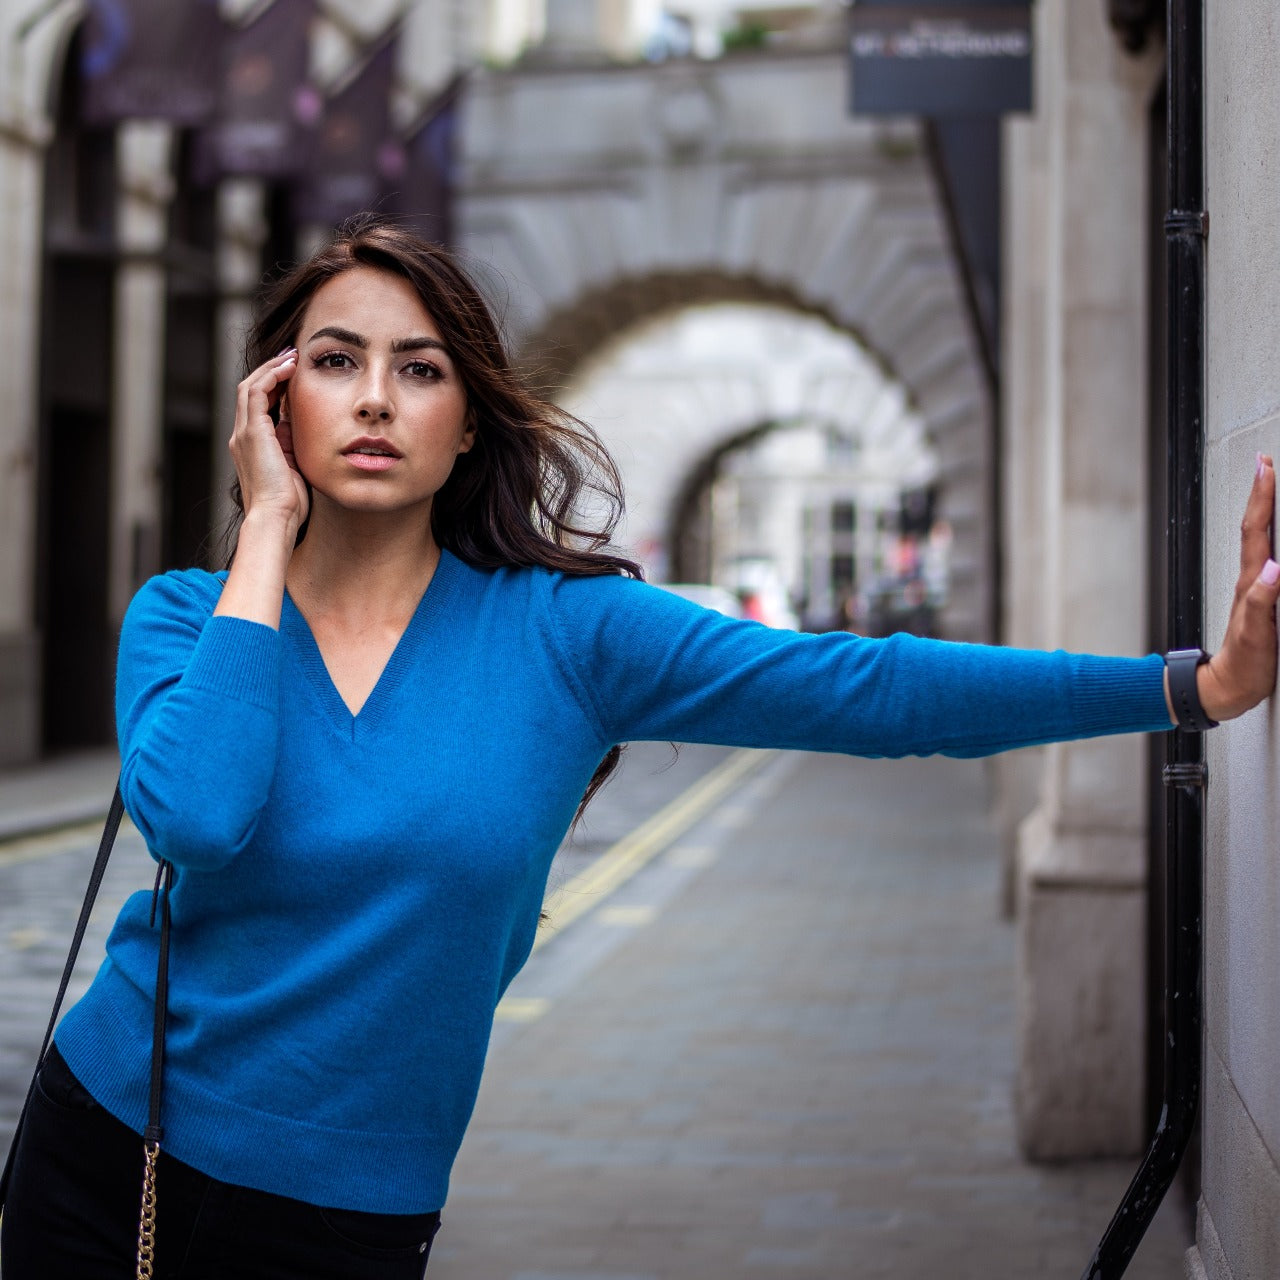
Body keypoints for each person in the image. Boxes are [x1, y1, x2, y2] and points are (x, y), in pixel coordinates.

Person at [2, 217, 1276, 1279]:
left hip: (351, 1213)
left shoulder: (567, 635)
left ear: (468, 419)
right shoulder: (190, 617)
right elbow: (199, 814)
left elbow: (868, 688)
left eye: (421, 368)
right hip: (108, 1151)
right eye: (335, 361)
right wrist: (265, 532)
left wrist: (1190, 685)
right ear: (274, 402)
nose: (376, 397)